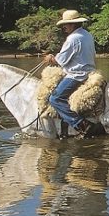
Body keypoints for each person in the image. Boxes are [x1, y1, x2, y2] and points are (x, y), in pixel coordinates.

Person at [43, 9, 98, 137]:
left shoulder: (72, 38)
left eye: (65, 25)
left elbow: (61, 60)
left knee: (55, 98)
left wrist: (51, 58)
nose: (64, 27)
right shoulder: (87, 35)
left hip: (77, 75)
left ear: (73, 24)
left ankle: (81, 124)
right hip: (90, 72)